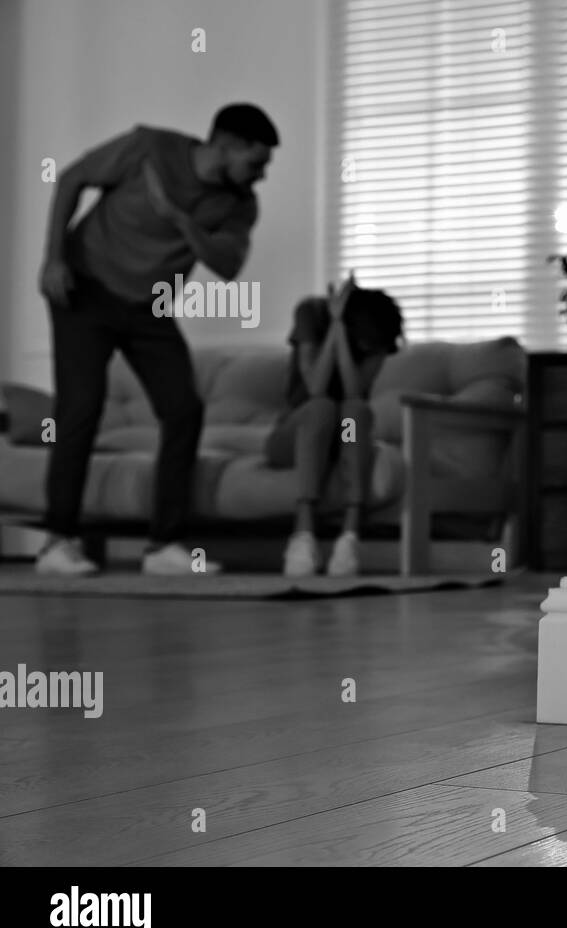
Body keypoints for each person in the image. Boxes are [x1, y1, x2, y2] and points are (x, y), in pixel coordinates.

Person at [35, 103, 278, 576]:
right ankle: (56, 542)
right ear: (225, 145)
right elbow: (71, 179)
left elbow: (228, 267)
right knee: (81, 407)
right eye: (257, 162)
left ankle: (164, 546)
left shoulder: (239, 203)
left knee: (184, 409)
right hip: (84, 290)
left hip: (149, 307)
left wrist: (181, 219)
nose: (261, 175)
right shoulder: (149, 147)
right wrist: (52, 259)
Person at [263, 274, 402, 577]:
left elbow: (354, 392)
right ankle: (303, 536)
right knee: (322, 407)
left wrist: (341, 335)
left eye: (373, 346)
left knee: (354, 411)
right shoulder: (310, 314)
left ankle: (349, 537)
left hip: (344, 437)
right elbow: (315, 385)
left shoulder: (377, 343)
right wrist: (336, 328)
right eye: (363, 341)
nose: (368, 348)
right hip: (297, 436)